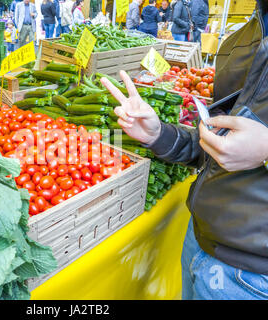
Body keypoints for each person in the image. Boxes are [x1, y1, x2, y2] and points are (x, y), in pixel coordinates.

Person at [101, 0, 268, 300]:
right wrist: (158, 135)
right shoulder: (243, 37)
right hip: (201, 237)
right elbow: (216, 145)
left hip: (255, 273)